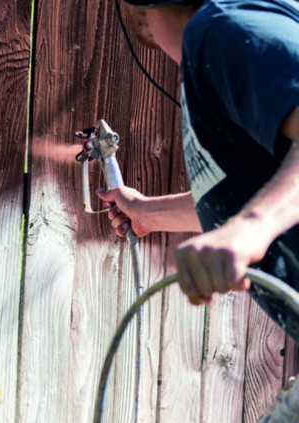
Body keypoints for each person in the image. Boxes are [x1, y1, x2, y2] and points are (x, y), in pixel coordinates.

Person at [97, 0, 299, 341]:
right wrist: (147, 213)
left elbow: (252, 219)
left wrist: (250, 229)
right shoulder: (219, 41)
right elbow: (257, 193)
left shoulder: (223, 30)